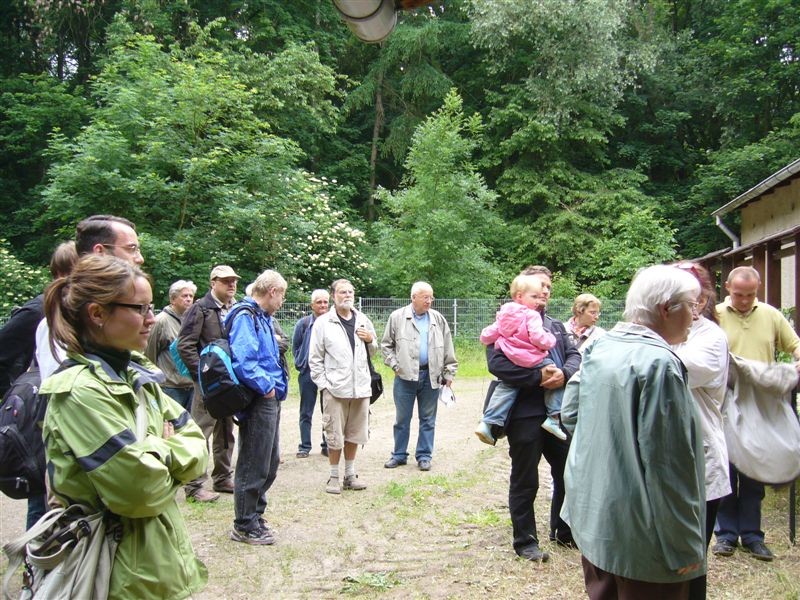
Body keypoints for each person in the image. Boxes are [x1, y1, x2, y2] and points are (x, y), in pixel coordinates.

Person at [39, 254, 208, 599]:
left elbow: (199, 447)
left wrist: (150, 453)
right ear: (98, 314)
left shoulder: (136, 375)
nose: (151, 319)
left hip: (154, 562)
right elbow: (139, 491)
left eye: (151, 308)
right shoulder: (79, 393)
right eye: (140, 309)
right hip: (112, 570)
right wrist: (165, 447)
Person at [561, 264, 705, 599]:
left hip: (597, 521)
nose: (695, 316)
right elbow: (669, 464)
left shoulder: (602, 346)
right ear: (666, 309)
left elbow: (569, 413)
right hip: (646, 542)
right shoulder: (659, 364)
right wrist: (684, 543)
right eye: (692, 306)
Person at [486, 265, 581, 561]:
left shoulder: (555, 326)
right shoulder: (507, 323)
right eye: (538, 289)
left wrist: (564, 374)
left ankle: (564, 532)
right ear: (522, 293)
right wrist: (537, 379)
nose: (544, 294)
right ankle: (526, 542)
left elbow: (575, 355)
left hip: (558, 415)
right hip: (525, 414)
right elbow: (497, 364)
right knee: (526, 478)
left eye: (548, 289)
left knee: (569, 472)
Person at [712, 266, 800, 562]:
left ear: (757, 290)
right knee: (726, 467)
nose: (745, 300)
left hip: (760, 404)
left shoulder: (771, 315)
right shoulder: (715, 315)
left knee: (753, 468)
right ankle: (724, 535)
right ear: (727, 288)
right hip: (723, 402)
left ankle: (752, 536)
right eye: (739, 294)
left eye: (750, 295)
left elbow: (795, 344)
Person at [671, 261, 730, 600]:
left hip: (700, 464)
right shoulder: (662, 336)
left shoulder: (710, 338)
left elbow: (671, 370)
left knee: (690, 563)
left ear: (702, 298)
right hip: (667, 464)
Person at [227, 270, 288, 545]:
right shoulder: (245, 316)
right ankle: (244, 524)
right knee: (254, 461)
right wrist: (267, 387)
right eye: (282, 295)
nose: (283, 301)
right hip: (259, 399)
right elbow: (244, 361)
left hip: (270, 398)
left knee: (269, 461)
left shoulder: (263, 318)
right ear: (272, 291)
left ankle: (255, 515)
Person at [176, 265, 240, 502]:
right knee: (201, 432)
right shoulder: (200, 309)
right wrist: (203, 375)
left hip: (230, 384)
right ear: (213, 283)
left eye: (233, 281)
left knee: (226, 431)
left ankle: (223, 477)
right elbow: (185, 345)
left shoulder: (235, 308)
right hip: (208, 384)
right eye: (225, 281)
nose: (231, 285)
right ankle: (194, 486)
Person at [309, 279, 377, 494]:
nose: (347, 295)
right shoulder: (323, 323)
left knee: (355, 433)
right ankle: (333, 477)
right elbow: (315, 359)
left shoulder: (362, 320)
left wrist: (370, 340)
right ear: (333, 295)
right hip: (335, 390)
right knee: (334, 435)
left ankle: (350, 474)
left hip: (360, 389)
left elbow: (373, 352)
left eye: (350, 292)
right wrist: (324, 386)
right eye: (342, 292)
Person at [477, 274, 562, 445]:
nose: (540, 299)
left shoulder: (503, 315)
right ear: (519, 296)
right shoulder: (532, 315)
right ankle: (553, 417)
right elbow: (539, 338)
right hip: (532, 359)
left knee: (506, 387)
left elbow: (487, 336)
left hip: (512, 357)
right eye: (535, 296)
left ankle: (488, 421)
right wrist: (550, 341)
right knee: (553, 373)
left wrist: (494, 339)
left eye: (544, 292)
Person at [381, 281, 457, 471]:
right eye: (425, 297)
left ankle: (424, 456)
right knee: (402, 419)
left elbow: (448, 346)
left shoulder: (437, 319)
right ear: (413, 297)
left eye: (431, 297)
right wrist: (395, 364)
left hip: (431, 376)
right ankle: (399, 455)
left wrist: (449, 373)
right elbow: (386, 345)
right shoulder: (397, 317)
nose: (429, 301)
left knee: (428, 419)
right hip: (404, 377)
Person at [144, 280, 197, 411]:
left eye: (191, 296)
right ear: (173, 299)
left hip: (192, 386)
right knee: (171, 427)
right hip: (170, 387)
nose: (189, 299)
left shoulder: (194, 320)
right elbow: (149, 353)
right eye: (184, 296)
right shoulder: (161, 321)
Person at [292, 289, 331, 458]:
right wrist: (301, 363)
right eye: (319, 302)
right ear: (312, 305)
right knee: (306, 411)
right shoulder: (303, 323)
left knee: (328, 411)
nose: (322, 305)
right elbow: (296, 347)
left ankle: (327, 445)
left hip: (328, 373)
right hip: (307, 373)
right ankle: (304, 446)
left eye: (325, 302)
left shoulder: (332, 322)